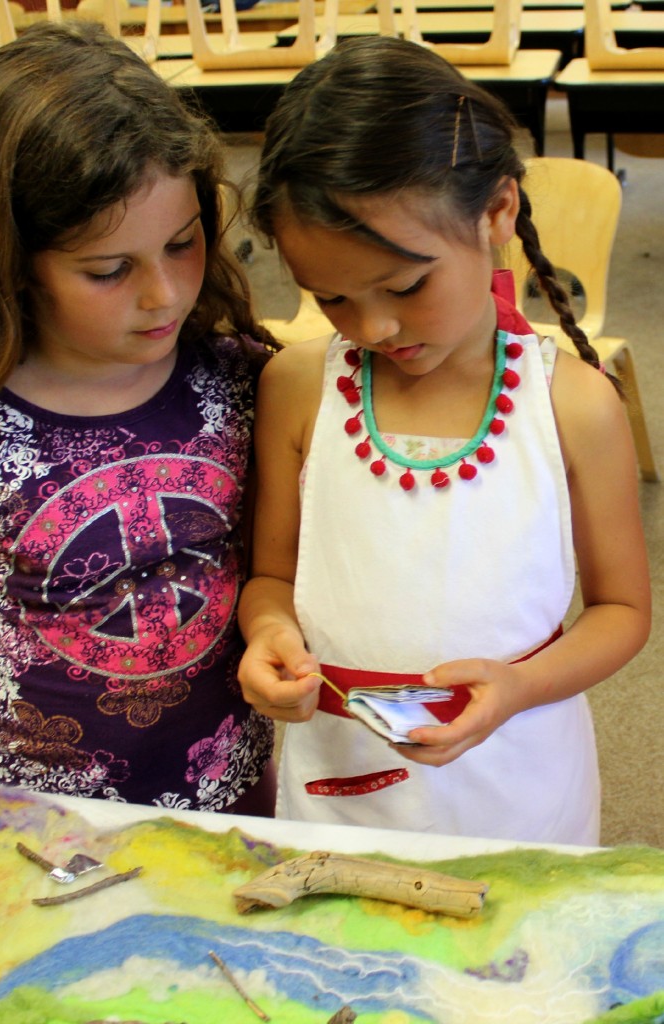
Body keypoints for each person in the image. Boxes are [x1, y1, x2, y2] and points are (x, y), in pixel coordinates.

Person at [0, 20, 280, 814]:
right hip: (50, 812)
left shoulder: (239, 377)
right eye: (109, 269)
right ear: (6, 260)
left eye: (184, 244)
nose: (164, 294)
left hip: (233, 789)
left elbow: (272, 567)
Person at [237, 36, 650, 844]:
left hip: (520, 767)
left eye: (405, 286)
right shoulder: (295, 389)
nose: (375, 327)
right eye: (333, 299)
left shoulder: (573, 404)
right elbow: (270, 576)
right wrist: (269, 634)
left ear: (497, 212)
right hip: (341, 769)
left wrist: (520, 688)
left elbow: (623, 610)